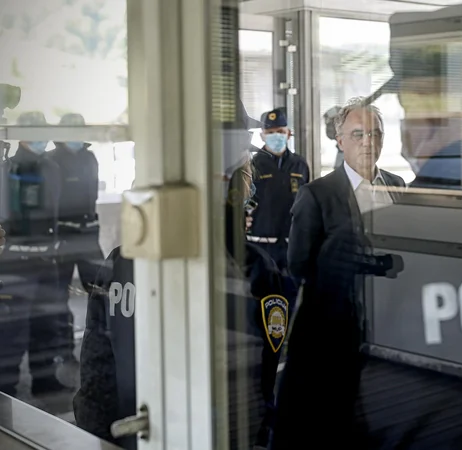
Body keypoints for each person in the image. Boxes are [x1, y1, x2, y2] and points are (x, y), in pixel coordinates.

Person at [74, 133, 290, 450]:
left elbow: (95, 377)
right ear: (223, 187)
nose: (251, 189)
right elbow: (259, 389)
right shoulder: (254, 271)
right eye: (246, 175)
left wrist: (102, 440)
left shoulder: (122, 261)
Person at [272, 97, 406, 449]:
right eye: (358, 134)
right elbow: (298, 263)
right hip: (333, 320)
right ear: (340, 140)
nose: (368, 142)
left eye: (375, 134)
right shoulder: (317, 195)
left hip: (388, 318)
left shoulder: (397, 185)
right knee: (328, 408)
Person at [0, 111, 67, 396]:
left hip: (46, 261)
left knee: (47, 323)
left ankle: (45, 379)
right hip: (16, 263)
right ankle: (6, 387)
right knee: (13, 329)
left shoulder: (52, 168)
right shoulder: (7, 169)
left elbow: (54, 213)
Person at [46, 113, 104, 380]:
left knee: (102, 289)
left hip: (88, 235)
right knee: (58, 296)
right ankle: (63, 351)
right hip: (62, 238)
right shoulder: (52, 161)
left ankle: (104, 341)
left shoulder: (89, 158)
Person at [249, 108, 309, 276]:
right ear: (262, 135)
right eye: (271, 132)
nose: (276, 136)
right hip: (261, 246)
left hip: (293, 245)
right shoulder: (252, 165)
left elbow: (308, 203)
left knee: (292, 294)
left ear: (289, 133)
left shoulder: (300, 165)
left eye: (281, 131)